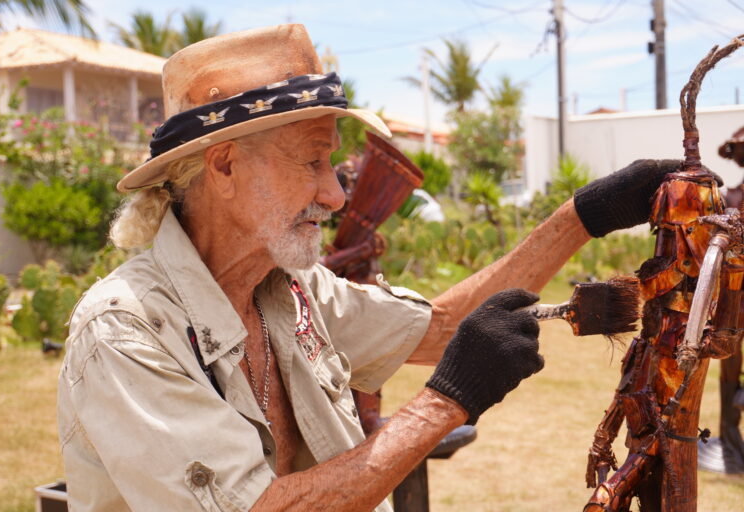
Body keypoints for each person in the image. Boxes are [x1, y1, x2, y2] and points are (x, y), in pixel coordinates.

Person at [56, 24, 684, 511]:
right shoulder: (124, 332)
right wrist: (443, 405)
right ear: (223, 167)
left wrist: (582, 215)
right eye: (311, 163)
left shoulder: (291, 290)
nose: (334, 194)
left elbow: (439, 327)